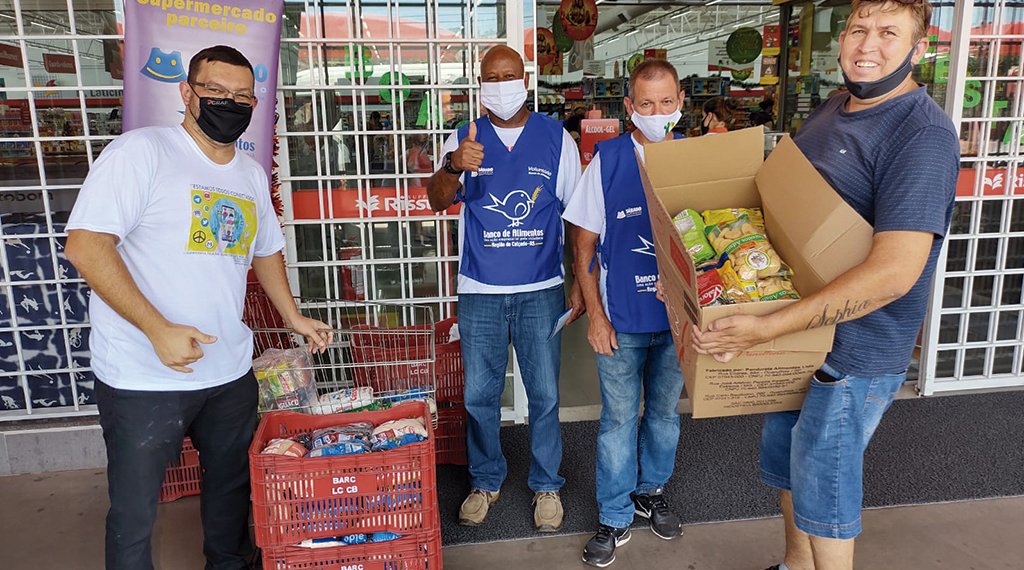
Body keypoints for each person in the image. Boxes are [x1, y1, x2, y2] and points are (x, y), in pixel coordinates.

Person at [689, 2, 960, 569]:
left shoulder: (922, 134)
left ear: (919, 47)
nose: (868, 45)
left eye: (889, 33)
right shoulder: (835, 107)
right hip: (801, 337)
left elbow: (894, 273)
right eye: (859, 29)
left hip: (854, 352)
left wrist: (765, 327)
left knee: (826, 494)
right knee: (789, 473)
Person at [65, 45, 331, 569]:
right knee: (135, 510)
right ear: (187, 93)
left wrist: (292, 317)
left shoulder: (250, 174)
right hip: (143, 375)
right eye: (215, 91)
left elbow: (266, 250)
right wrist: (157, 328)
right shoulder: (141, 153)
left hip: (228, 369)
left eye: (241, 96)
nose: (228, 103)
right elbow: (86, 245)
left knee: (230, 488)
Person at [426, 45, 584, 532]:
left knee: (544, 394)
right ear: (480, 83)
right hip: (480, 291)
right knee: (480, 395)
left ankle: (546, 484)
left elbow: (577, 219)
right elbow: (435, 199)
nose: (501, 83)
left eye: (509, 74)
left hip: (541, 290)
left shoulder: (557, 140)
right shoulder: (463, 137)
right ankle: (486, 479)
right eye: (491, 77)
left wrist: (579, 281)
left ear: (525, 78)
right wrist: (454, 166)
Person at [563, 59, 686, 568]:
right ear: (629, 107)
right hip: (622, 318)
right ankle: (614, 516)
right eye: (646, 104)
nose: (657, 113)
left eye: (666, 102)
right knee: (618, 421)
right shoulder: (608, 161)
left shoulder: (697, 158)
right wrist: (595, 314)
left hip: (678, 322)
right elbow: (584, 245)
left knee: (662, 416)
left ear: (680, 104)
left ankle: (650, 491)